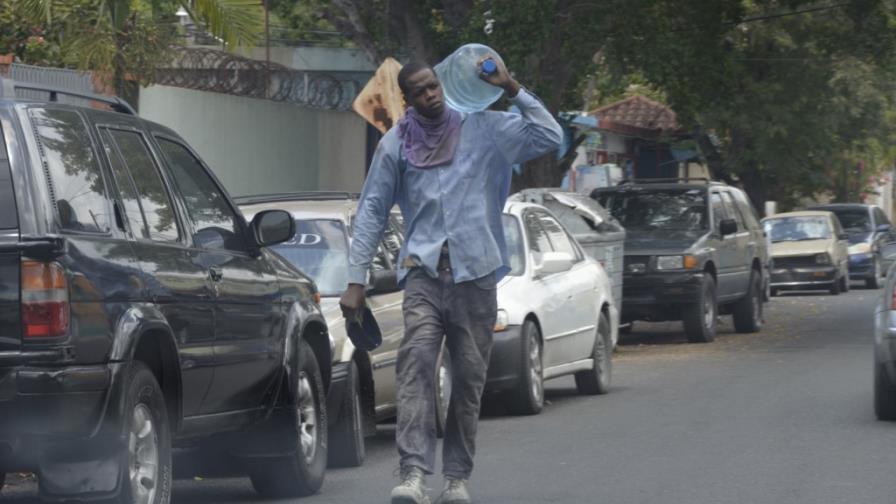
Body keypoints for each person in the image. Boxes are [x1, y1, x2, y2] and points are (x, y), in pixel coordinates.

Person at [339, 56, 562, 504]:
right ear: (407, 99)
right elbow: (372, 214)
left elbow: (549, 136)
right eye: (419, 91)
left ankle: (456, 478)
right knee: (416, 366)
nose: (430, 95)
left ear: (443, 84)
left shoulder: (484, 129)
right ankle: (414, 475)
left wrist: (511, 86)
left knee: (468, 379)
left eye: (434, 86)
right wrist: (355, 280)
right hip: (423, 275)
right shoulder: (396, 145)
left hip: (475, 276)